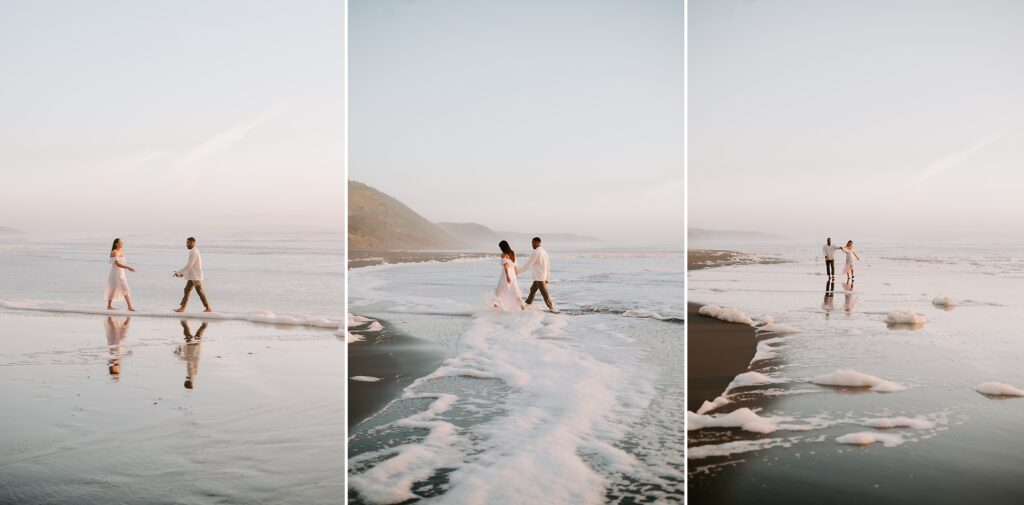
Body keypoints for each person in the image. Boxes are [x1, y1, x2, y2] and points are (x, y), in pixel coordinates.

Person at [173, 237, 211, 313]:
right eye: (186, 243)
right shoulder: (193, 251)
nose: (186, 244)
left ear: (192, 243)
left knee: (200, 292)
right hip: (193, 276)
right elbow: (191, 266)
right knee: (186, 290)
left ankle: (208, 308)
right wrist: (182, 274)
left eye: (187, 243)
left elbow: (189, 265)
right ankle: (182, 308)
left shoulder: (194, 252)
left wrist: (179, 272)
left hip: (196, 277)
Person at [519, 237, 555, 311]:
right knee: (532, 289)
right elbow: (548, 265)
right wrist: (548, 277)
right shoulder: (544, 251)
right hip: (541, 275)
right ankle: (528, 304)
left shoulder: (536, 252)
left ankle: (551, 307)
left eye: (533, 243)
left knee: (544, 293)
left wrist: (517, 272)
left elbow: (528, 264)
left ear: (537, 243)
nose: (532, 245)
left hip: (539, 276)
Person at [105, 238, 136, 311]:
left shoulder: (121, 251)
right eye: (121, 243)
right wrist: (128, 268)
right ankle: (128, 306)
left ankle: (127, 306)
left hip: (121, 273)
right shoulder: (114, 252)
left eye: (122, 242)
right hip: (115, 273)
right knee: (114, 288)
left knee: (124, 287)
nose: (122, 244)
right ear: (116, 244)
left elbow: (122, 263)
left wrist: (125, 269)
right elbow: (117, 264)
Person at [494, 240, 525, 311]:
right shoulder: (513, 253)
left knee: (500, 289)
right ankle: (522, 306)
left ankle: (495, 305)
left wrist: (507, 277)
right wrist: (515, 274)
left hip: (506, 274)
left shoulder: (503, 255)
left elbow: (505, 267)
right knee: (514, 289)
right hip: (513, 274)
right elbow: (515, 265)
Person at [176, 320, 206, 389]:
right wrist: (179, 354)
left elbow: (194, 360)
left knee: (198, 333)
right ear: (186, 382)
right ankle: (183, 320)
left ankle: (205, 322)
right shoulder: (190, 374)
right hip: (192, 348)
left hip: (196, 348)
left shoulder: (194, 375)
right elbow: (189, 360)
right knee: (186, 331)